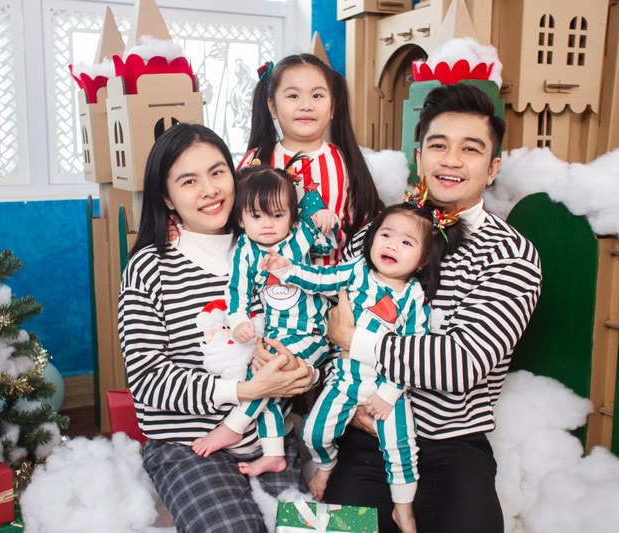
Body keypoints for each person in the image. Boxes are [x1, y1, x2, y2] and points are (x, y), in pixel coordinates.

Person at [323, 84, 543, 532]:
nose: (451, 160)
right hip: (367, 436)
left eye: (470, 149)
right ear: (420, 157)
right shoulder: (378, 234)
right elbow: (329, 321)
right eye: (439, 146)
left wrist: (357, 341)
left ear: (492, 168)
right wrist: (344, 396)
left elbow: (460, 363)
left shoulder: (510, 256)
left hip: (451, 444)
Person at [118, 123, 314, 533]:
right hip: (188, 447)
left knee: (306, 529)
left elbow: (310, 329)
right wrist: (244, 390)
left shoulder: (274, 250)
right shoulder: (150, 267)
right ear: (167, 198)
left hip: (270, 441)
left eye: (217, 172)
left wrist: (303, 372)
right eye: (189, 181)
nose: (209, 190)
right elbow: (148, 379)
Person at [263, 199, 466, 533]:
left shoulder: (413, 298)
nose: (392, 245)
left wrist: (389, 394)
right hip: (345, 381)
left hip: (387, 387)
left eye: (406, 242)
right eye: (386, 235)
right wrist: (287, 270)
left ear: (423, 260)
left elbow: (412, 352)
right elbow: (321, 278)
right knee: (314, 432)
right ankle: (326, 465)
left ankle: (403, 509)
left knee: (400, 449)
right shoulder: (357, 271)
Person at [191, 162, 338, 476]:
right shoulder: (244, 251)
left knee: (270, 372)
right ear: (241, 219)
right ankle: (274, 453)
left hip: (310, 332)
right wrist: (239, 321)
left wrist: (327, 219)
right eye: (256, 216)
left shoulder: (300, 235)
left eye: (278, 215)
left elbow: (327, 243)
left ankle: (234, 425)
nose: (268, 225)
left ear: (291, 217)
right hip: (275, 334)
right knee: (263, 379)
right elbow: (237, 291)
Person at [241, 53, 381, 265]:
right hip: (266, 280)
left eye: (317, 95)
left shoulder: (346, 161)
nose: (306, 105)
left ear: (332, 107)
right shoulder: (256, 160)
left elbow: (362, 225)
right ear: (272, 107)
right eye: (293, 96)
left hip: (332, 280)